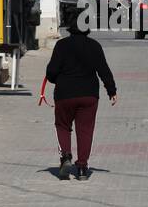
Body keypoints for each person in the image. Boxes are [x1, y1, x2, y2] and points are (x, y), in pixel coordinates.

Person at [45, 26, 117, 180]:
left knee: (62, 125)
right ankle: (82, 168)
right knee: (85, 130)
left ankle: (65, 156)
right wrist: (112, 91)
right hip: (89, 95)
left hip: (65, 94)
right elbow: (103, 70)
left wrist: (57, 79)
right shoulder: (94, 46)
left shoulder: (61, 45)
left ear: (70, 29)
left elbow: (51, 72)